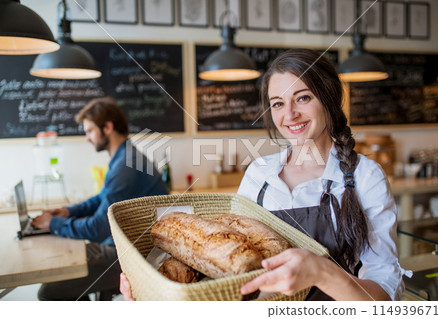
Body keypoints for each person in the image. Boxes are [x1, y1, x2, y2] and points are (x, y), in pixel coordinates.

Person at [120, 49, 406, 301]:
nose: (289, 115)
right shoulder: (260, 174)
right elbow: (228, 273)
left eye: (303, 97)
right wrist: (154, 289)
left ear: (329, 99)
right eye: (278, 103)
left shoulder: (365, 177)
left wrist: (322, 272)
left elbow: (382, 297)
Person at [32, 96, 169, 301]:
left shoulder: (125, 166)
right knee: (72, 265)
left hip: (135, 256)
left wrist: (53, 223)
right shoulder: (124, 157)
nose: (87, 138)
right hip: (125, 246)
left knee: (49, 292)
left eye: (89, 131)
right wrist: (69, 212)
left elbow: (98, 229)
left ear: (107, 127)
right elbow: (102, 198)